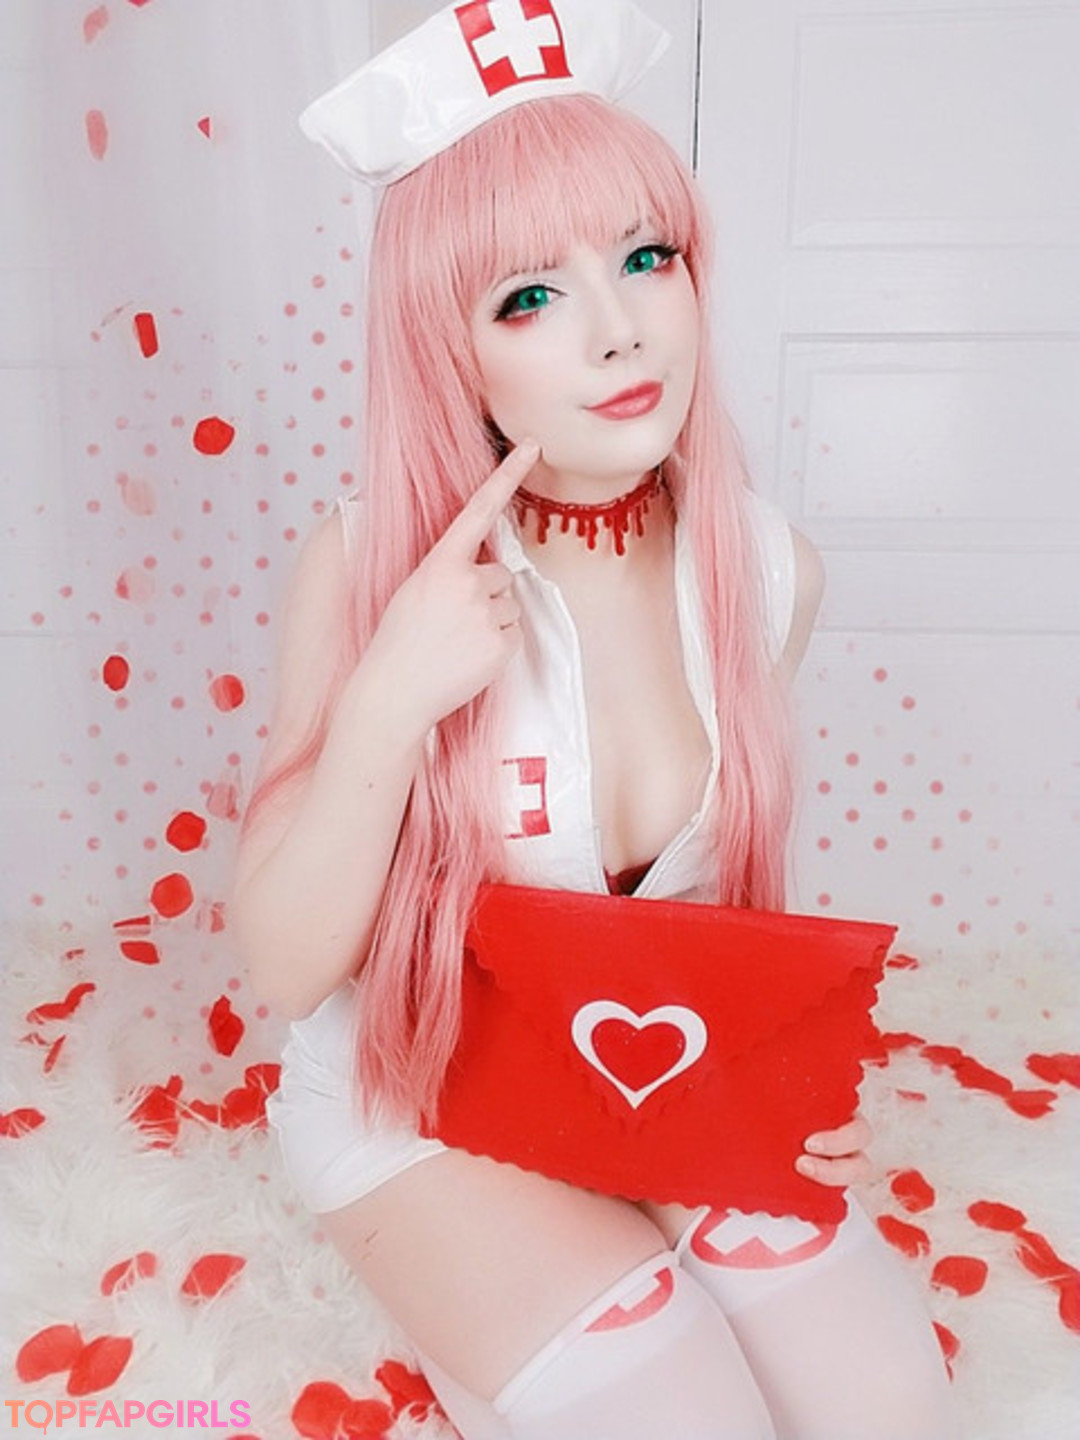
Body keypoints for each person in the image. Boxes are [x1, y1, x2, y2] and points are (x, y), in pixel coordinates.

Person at [230, 4, 956, 1436]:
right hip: (416, 1092)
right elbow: (284, 966)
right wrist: (388, 702)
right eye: (529, 297)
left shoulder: (766, 570)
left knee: (890, 1415)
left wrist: (785, 1078)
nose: (620, 329)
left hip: (649, 1073)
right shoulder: (365, 568)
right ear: (449, 349)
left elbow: (719, 917)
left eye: (645, 258)